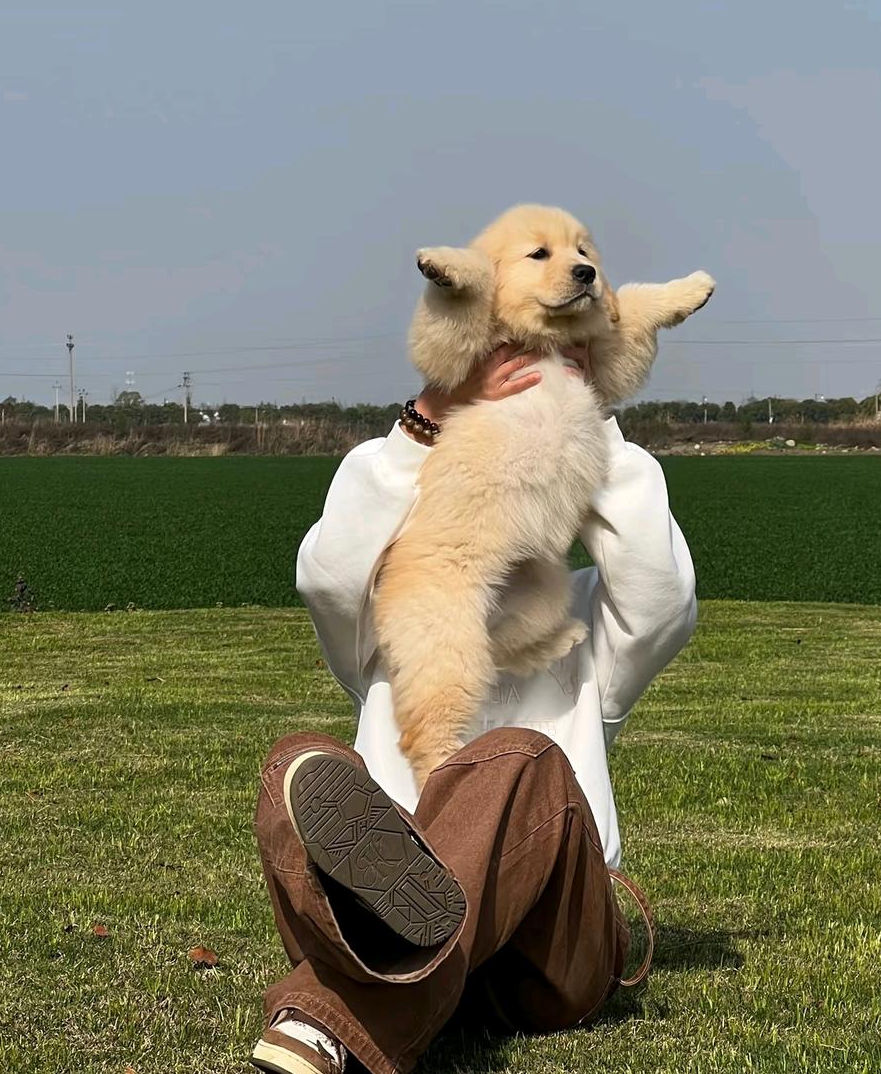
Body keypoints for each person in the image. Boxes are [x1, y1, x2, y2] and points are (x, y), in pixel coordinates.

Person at [251, 343, 697, 1074]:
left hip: (547, 955)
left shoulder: (590, 626)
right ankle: (394, 958)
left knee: (522, 762)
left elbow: (663, 597)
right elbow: (328, 576)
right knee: (296, 764)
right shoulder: (392, 622)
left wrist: (581, 416)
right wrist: (430, 414)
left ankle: (334, 1017)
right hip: (372, 939)